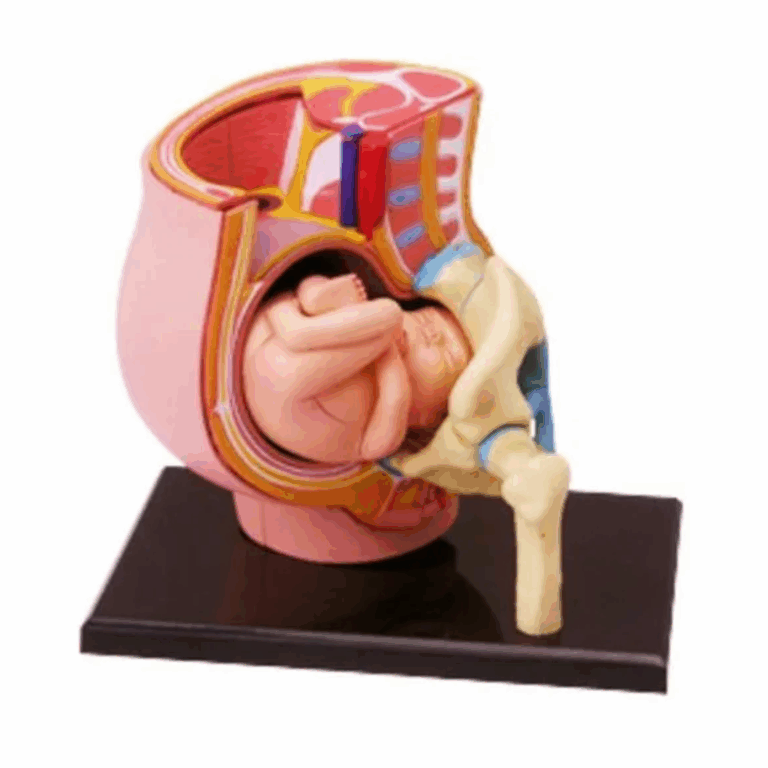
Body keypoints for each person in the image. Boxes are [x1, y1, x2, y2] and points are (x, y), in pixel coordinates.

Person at [243, 273, 471, 464]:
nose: (433, 334)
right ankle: (306, 304)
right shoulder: (364, 331)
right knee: (321, 294)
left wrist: (389, 349)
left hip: (292, 397)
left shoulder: (386, 433)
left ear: (428, 419)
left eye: (448, 355)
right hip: (268, 339)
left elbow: (395, 395)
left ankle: (299, 327)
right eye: (425, 318)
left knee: (389, 314)